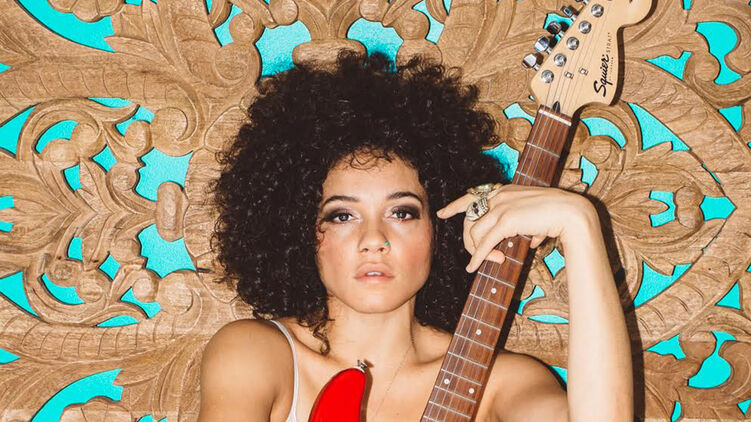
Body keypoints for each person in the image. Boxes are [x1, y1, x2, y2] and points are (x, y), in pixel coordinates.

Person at [198, 51, 633, 421]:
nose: (373, 239)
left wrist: (579, 223)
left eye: (402, 212)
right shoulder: (257, 355)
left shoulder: (499, 382)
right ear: (299, 230)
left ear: (439, 228)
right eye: (342, 215)